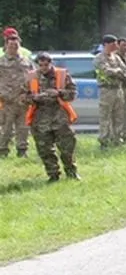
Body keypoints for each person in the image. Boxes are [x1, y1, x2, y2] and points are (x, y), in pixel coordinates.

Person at [26, 51, 79, 181]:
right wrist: (34, 98)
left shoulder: (62, 74)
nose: (44, 67)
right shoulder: (31, 77)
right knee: (45, 149)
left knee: (67, 147)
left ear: (51, 63)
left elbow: (72, 93)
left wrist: (59, 93)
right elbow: (22, 96)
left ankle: (71, 172)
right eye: (41, 65)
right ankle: (53, 174)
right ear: (37, 64)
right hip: (40, 118)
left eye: (46, 64)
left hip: (60, 116)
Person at [0, 28, 35, 157]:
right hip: (6, 100)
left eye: (16, 44)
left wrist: (30, 94)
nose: (13, 46)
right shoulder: (1, 61)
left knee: (23, 128)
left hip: (23, 100)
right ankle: (2, 150)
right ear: (6, 45)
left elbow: (33, 78)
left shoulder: (26, 61)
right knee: (5, 128)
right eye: (11, 44)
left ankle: (22, 150)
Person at [93, 35, 126, 148]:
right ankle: (104, 142)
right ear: (106, 44)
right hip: (106, 90)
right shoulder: (99, 58)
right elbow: (105, 71)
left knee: (118, 117)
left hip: (118, 90)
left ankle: (116, 140)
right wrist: (117, 71)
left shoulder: (116, 58)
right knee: (105, 117)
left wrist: (117, 71)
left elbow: (124, 71)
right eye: (113, 44)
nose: (115, 46)